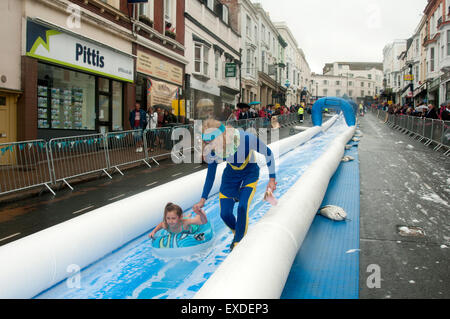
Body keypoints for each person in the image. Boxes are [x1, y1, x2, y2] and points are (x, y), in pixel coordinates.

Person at [193, 119, 277, 251]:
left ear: (222, 136)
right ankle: (238, 232)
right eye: (207, 143)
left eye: (211, 142)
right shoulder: (212, 150)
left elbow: (268, 154)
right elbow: (211, 174)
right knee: (225, 214)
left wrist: (272, 179)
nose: (209, 146)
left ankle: (238, 242)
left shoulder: (246, 139)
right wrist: (203, 198)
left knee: (242, 207)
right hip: (230, 176)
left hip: (249, 173)